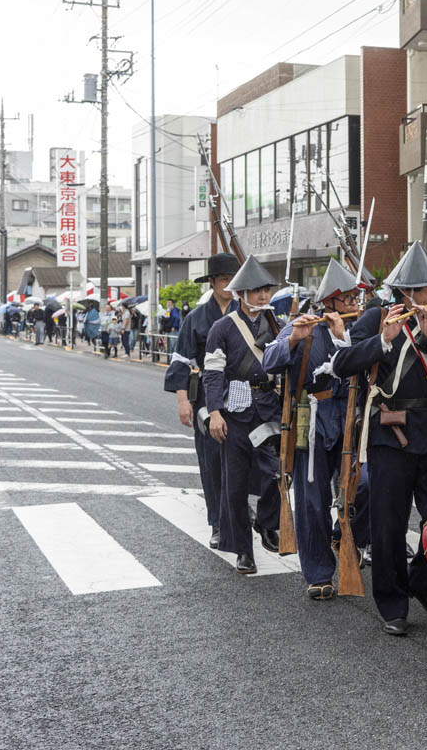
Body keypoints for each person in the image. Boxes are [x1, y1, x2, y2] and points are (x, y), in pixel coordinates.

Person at [331, 241, 427, 636]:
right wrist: (382, 340)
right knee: (389, 525)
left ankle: (423, 581)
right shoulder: (376, 316)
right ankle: (393, 604)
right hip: (389, 434)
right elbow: (340, 363)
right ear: (409, 288)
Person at [263, 260, 358, 600]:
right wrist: (293, 340)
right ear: (330, 301)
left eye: (355, 298)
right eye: (348, 299)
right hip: (313, 422)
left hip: (351, 420)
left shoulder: (358, 329)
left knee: (363, 489)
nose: (355, 305)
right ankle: (319, 571)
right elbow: (268, 362)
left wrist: (342, 338)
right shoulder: (301, 326)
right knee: (312, 500)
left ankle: (343, 536)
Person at [202, 255, 284, 575]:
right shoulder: (221, 328)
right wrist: (215, 413)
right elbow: (212, 374)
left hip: (267, 407)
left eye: (266, 289)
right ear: (241, 293)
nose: (263, 296)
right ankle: (243, 551)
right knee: (234, 485)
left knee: (275, 472)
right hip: (234, 410)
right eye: (256, 290)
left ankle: (266, 523)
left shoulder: (276, 324)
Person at [165, 252, 240, 549]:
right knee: (211, 461)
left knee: (246, 458)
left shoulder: (245, 313)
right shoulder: (195, 318)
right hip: (207, 397)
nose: (229, 285)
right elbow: (181, 362)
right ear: (211, 282)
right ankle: (218, 522)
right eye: (224, 280)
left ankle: (239, 510)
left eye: (234, 280)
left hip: (242, 394)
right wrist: (183, 401)